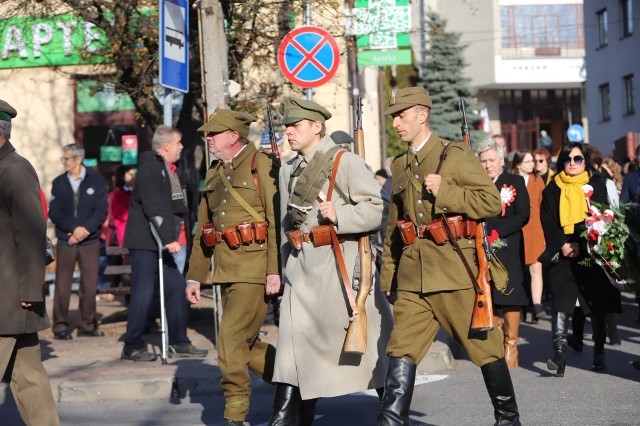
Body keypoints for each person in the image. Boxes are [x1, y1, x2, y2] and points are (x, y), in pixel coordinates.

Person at [378, 87, 520, 425]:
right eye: (394, 116)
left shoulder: (454, 154)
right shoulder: (400, 166)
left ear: (422, 115)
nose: (396, 122)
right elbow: (394, 228)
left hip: (454, 273)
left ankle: (508, 419)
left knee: (485, 349)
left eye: (401, 115)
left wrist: (447, 191)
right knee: (400, 350)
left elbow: (490, 202)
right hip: (413, 278)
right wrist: (389, 276)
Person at [270, 97, 392, 426]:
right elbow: (284, 227)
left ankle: (393, 417)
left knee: (370, 361)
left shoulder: (344, 162)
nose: (289, 133)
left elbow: (376, 208)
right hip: (300, 271)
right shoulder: (287, 169)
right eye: (287, 127)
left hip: (338, 274)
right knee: (291, 359)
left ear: (316, 127)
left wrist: (341, 214)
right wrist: (280, 274)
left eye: (294, 126)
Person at [185, 109, 280, 426]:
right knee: (247, 344)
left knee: (229, 339)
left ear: (233, 135)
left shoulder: (260, 163)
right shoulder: (214, 171)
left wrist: (274, 270)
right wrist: (195, 277)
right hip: (225, 270)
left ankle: (234, 415)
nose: (208, 138)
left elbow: (274, 221)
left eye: (213, 133)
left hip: (254, 269)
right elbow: (204, 230)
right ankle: (293, 383)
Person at [121, 126, 207, 362]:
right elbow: (153, 207)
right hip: (146, 242)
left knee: (175, 288)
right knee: (143, 293)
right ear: (166, 145)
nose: (181, 146)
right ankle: (132, 344)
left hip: (161, 242)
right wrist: (169, 238)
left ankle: (178, 341)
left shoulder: (166, 169)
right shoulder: (150, 168)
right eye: (178, 142)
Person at [0, 99, 60, 426]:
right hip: (10, 299)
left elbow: (32, 233)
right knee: (29, 380)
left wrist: (30, 290)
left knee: (29, 379)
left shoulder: (14, 169)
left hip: (9, 297)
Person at [539, 142, 622, 375]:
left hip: (591, 250)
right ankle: (559, 353)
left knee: (597, 303)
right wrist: (563, 245)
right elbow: (547, 220)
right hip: (563, 251)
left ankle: (599, 351)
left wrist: (585, 243)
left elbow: (604, 215)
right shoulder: (552, 188)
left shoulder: (597, 183)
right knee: (561, 301)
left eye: (577, 159)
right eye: (567, 159)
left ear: (585, 161)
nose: (572, 163)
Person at [478, 141, 531, 369]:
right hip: (481, 247)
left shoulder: (515, 182)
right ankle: (498, 343)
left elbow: (522, 215)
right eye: (483, 161)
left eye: (491, 160)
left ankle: (512, 345)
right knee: (490, 295)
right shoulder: (476, 185)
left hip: (507, 246)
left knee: (509, 296)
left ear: (501, 161)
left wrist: (497, 232)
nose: (488, 165)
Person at [49, 143, 108, 340]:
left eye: (66, 159)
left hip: (89, 240)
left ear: (78, 159)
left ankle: (87, 325)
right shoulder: (58, 182)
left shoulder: (97, 180)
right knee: (62, 285)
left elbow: (101, 211)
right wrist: (73, 230)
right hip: (66, 240)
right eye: (63, 159)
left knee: (89, 285)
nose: (63, 162)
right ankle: (60, 326)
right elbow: (55, 211)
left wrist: (84, 231)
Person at [511, 150, 548, 322]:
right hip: (517, 230)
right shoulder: (510, 181)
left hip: (535, 229)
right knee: (519, 271)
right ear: (518, 164)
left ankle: (537, 305)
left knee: (536, 267)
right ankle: (523, 306)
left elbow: (543, 206)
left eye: (532, 161)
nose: (532, 164)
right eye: (528, 161)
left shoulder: (537, 180)